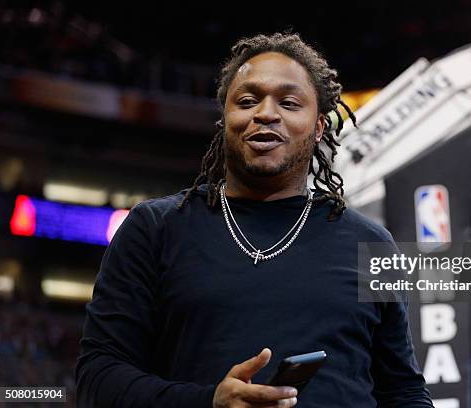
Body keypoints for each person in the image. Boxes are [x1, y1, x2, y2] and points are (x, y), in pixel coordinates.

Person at [76, 32, 433, 408]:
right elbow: (98, 379)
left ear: (318, 128)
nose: (265, 113)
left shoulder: (371, 245)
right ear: (225, 118)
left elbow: (403, 392)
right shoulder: (154, 229)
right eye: (247, 101)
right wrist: (209, 402)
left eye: (290, 103)